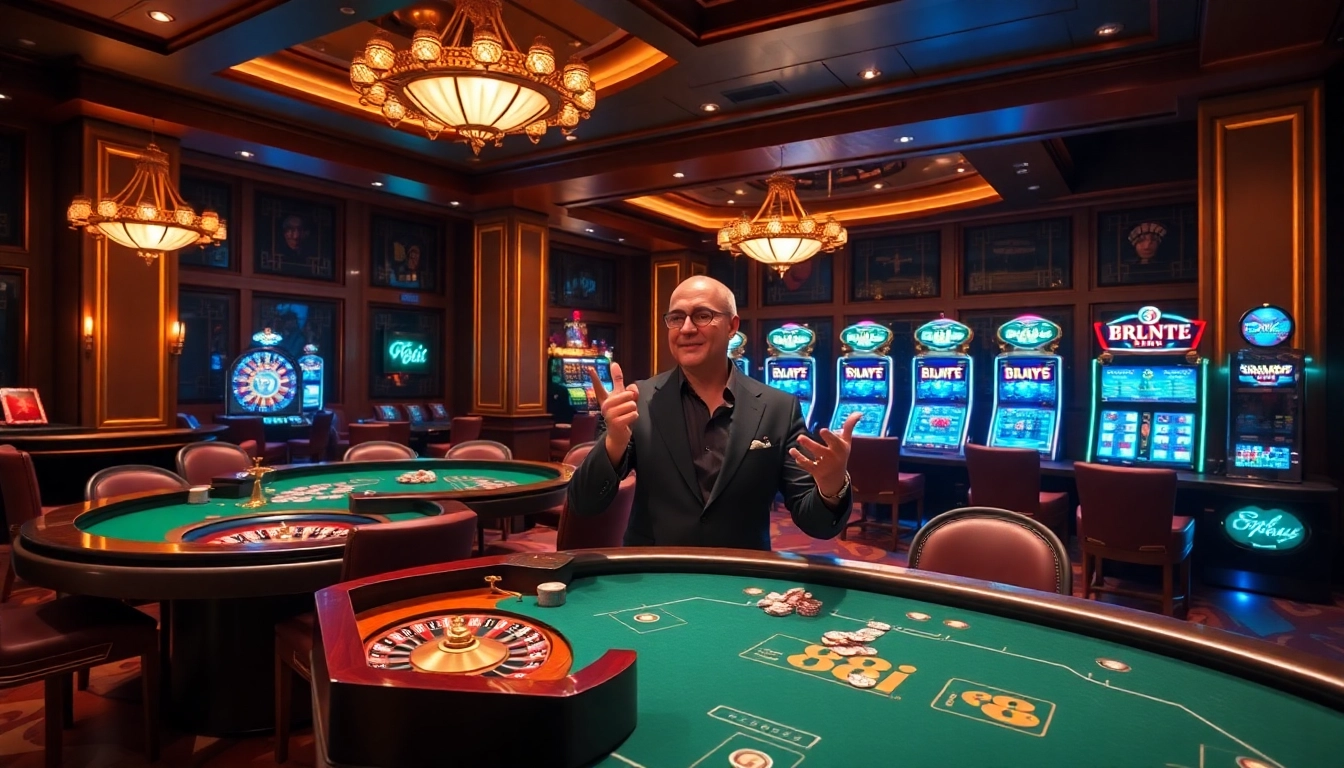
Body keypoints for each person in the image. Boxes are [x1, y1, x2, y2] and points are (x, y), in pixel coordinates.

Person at [567, 275, 860, 549]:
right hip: (654, 576)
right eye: (676, 318)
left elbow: (818, 526)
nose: (687, 328)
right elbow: (585, 504)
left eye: (703, 315)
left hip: (742, 579)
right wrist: (613, 443)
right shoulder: (637, 400)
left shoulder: (779, 408)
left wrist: (831, 486)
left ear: (732, 326)